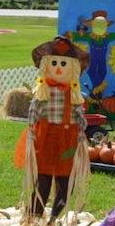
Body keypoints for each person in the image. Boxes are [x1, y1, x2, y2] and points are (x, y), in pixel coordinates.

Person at [12, 36, 91, 216]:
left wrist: (81, 132)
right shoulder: (43, 90)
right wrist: (31, 130)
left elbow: (79, 115)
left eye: (63, 64)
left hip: (67, 139)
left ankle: (56, 214)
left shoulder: (74, 93)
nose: (57, 68)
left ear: (72, 68)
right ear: (46, 65)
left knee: (65, 177)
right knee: (43, 177)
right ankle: (34, 213)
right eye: (54, 63)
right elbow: (34, 111)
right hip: (45, 137)